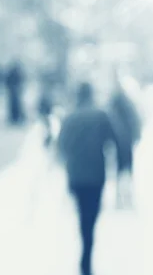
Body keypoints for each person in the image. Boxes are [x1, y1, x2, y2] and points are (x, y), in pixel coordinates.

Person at [57, 83, 123, 275]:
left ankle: (85, 253)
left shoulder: (69, 118)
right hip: (96, 175)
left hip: (76, 175)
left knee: (82, 215)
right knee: (91, 216)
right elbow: (116, 141)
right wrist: (121, 166)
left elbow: (61, 146)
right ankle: (87, 254)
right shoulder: (101, 116)